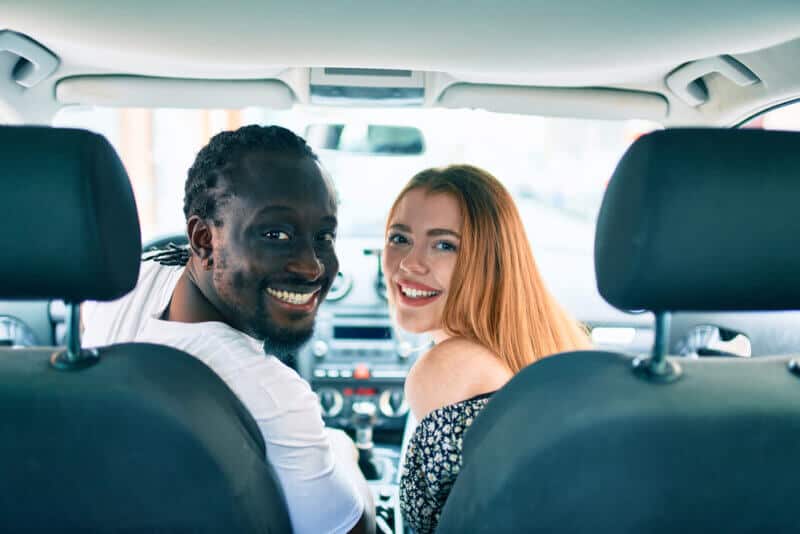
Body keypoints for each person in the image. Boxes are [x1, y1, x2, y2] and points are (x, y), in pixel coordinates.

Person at [82, 125, 374, 534]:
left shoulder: (119, 286)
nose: (312, 266)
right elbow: (352, 530)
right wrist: (344, 451)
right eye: (276, 234)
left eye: (323, 235)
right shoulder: (269, 394)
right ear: (203, 239)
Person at [384, 165, 590, 534]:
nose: (409, 264)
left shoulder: (450, 367)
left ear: (489, 260)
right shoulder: (554, 345)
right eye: (399, 238)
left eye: (443, 245)